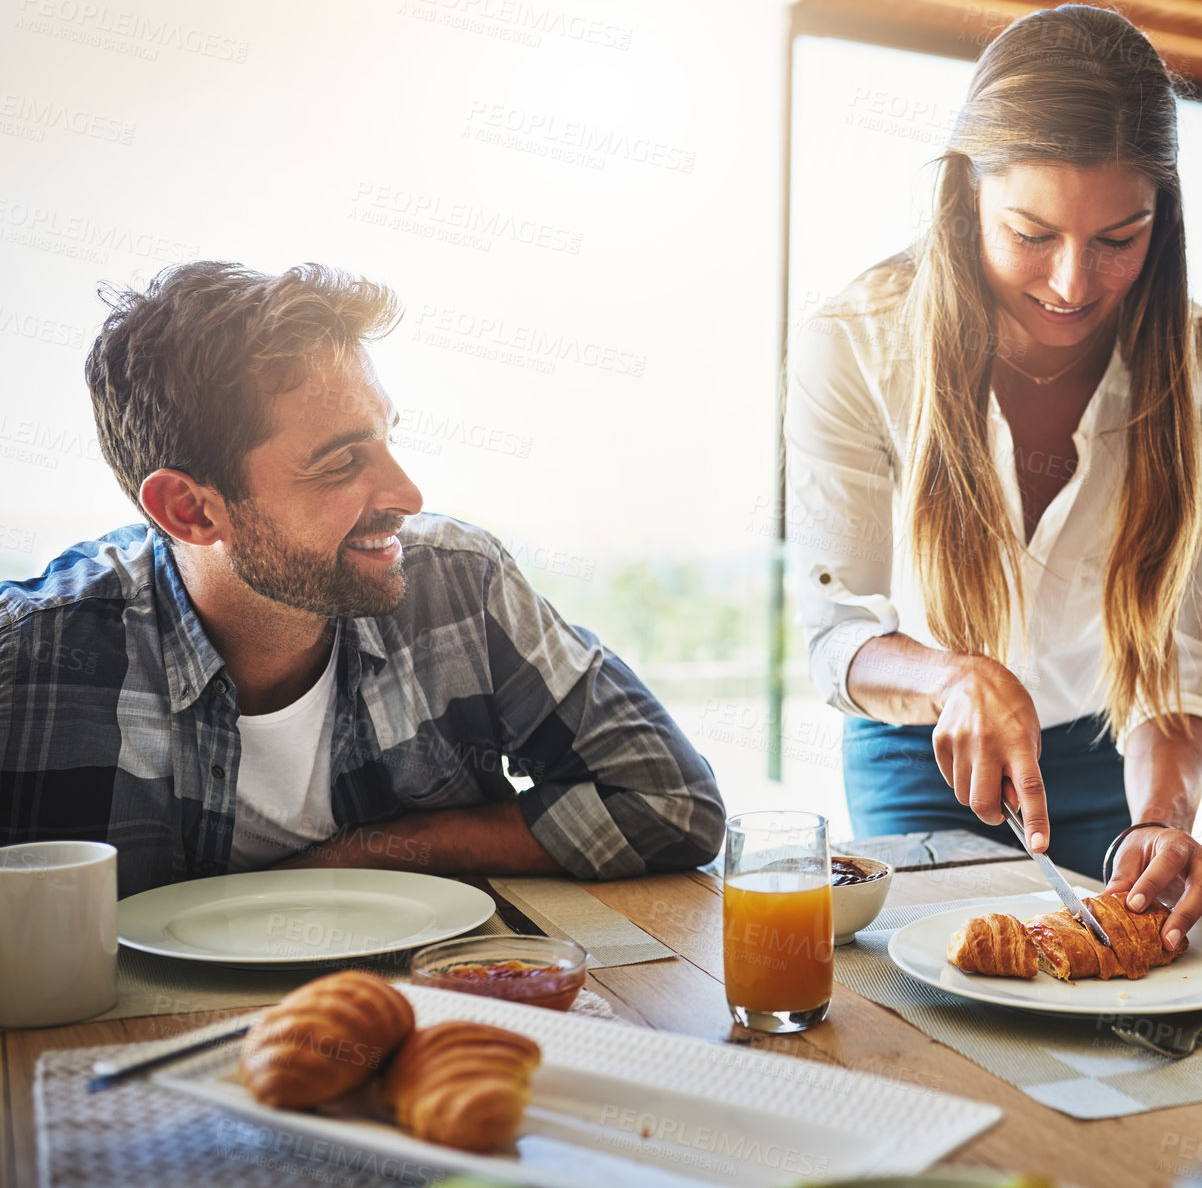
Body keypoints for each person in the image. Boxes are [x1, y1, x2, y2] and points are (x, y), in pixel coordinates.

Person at [785, 4, 1202, 953]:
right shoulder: (854, 346)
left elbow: (1185, 660)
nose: (1071, 283)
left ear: (1164, 217)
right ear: (965, 195)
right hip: (916, 744)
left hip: (1120, 759)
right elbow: (837, 630)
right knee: (915, 1001)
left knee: (1122, 998)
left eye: (1118, 238)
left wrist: (1166, 818)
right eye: (1031, 232)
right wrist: (952, 677)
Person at [0, 261, 725, 899]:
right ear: (190, 510)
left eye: (387, 437)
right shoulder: (26, 665)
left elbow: (673, 803)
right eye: (342, 462)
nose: (408, 493)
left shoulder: (458, 586)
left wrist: (375, 851)